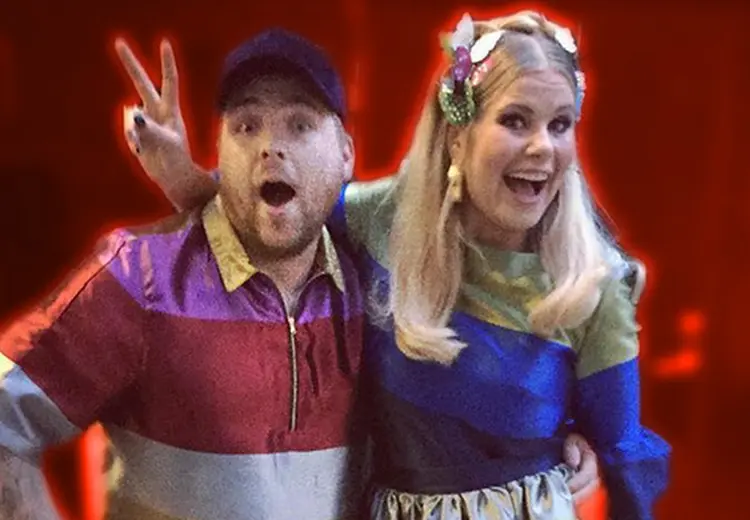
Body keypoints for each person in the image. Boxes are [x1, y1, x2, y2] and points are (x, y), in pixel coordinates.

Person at [0, 27, 598, 520]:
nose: (270, 147)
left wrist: (563, 437)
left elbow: (459, 393)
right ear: (220, 150)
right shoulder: (141, 278)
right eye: (246, 126)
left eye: (300, 124)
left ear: (346, 154)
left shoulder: (375, 279)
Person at [127, 10, 671, 520]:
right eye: (515, 120)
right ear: (457, 137)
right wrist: (180, 174)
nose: (542, 147)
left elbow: (623, 453)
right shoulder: (383, 218)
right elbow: (275, 215)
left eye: (560, 124)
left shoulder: (597, 282)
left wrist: (576, 438)